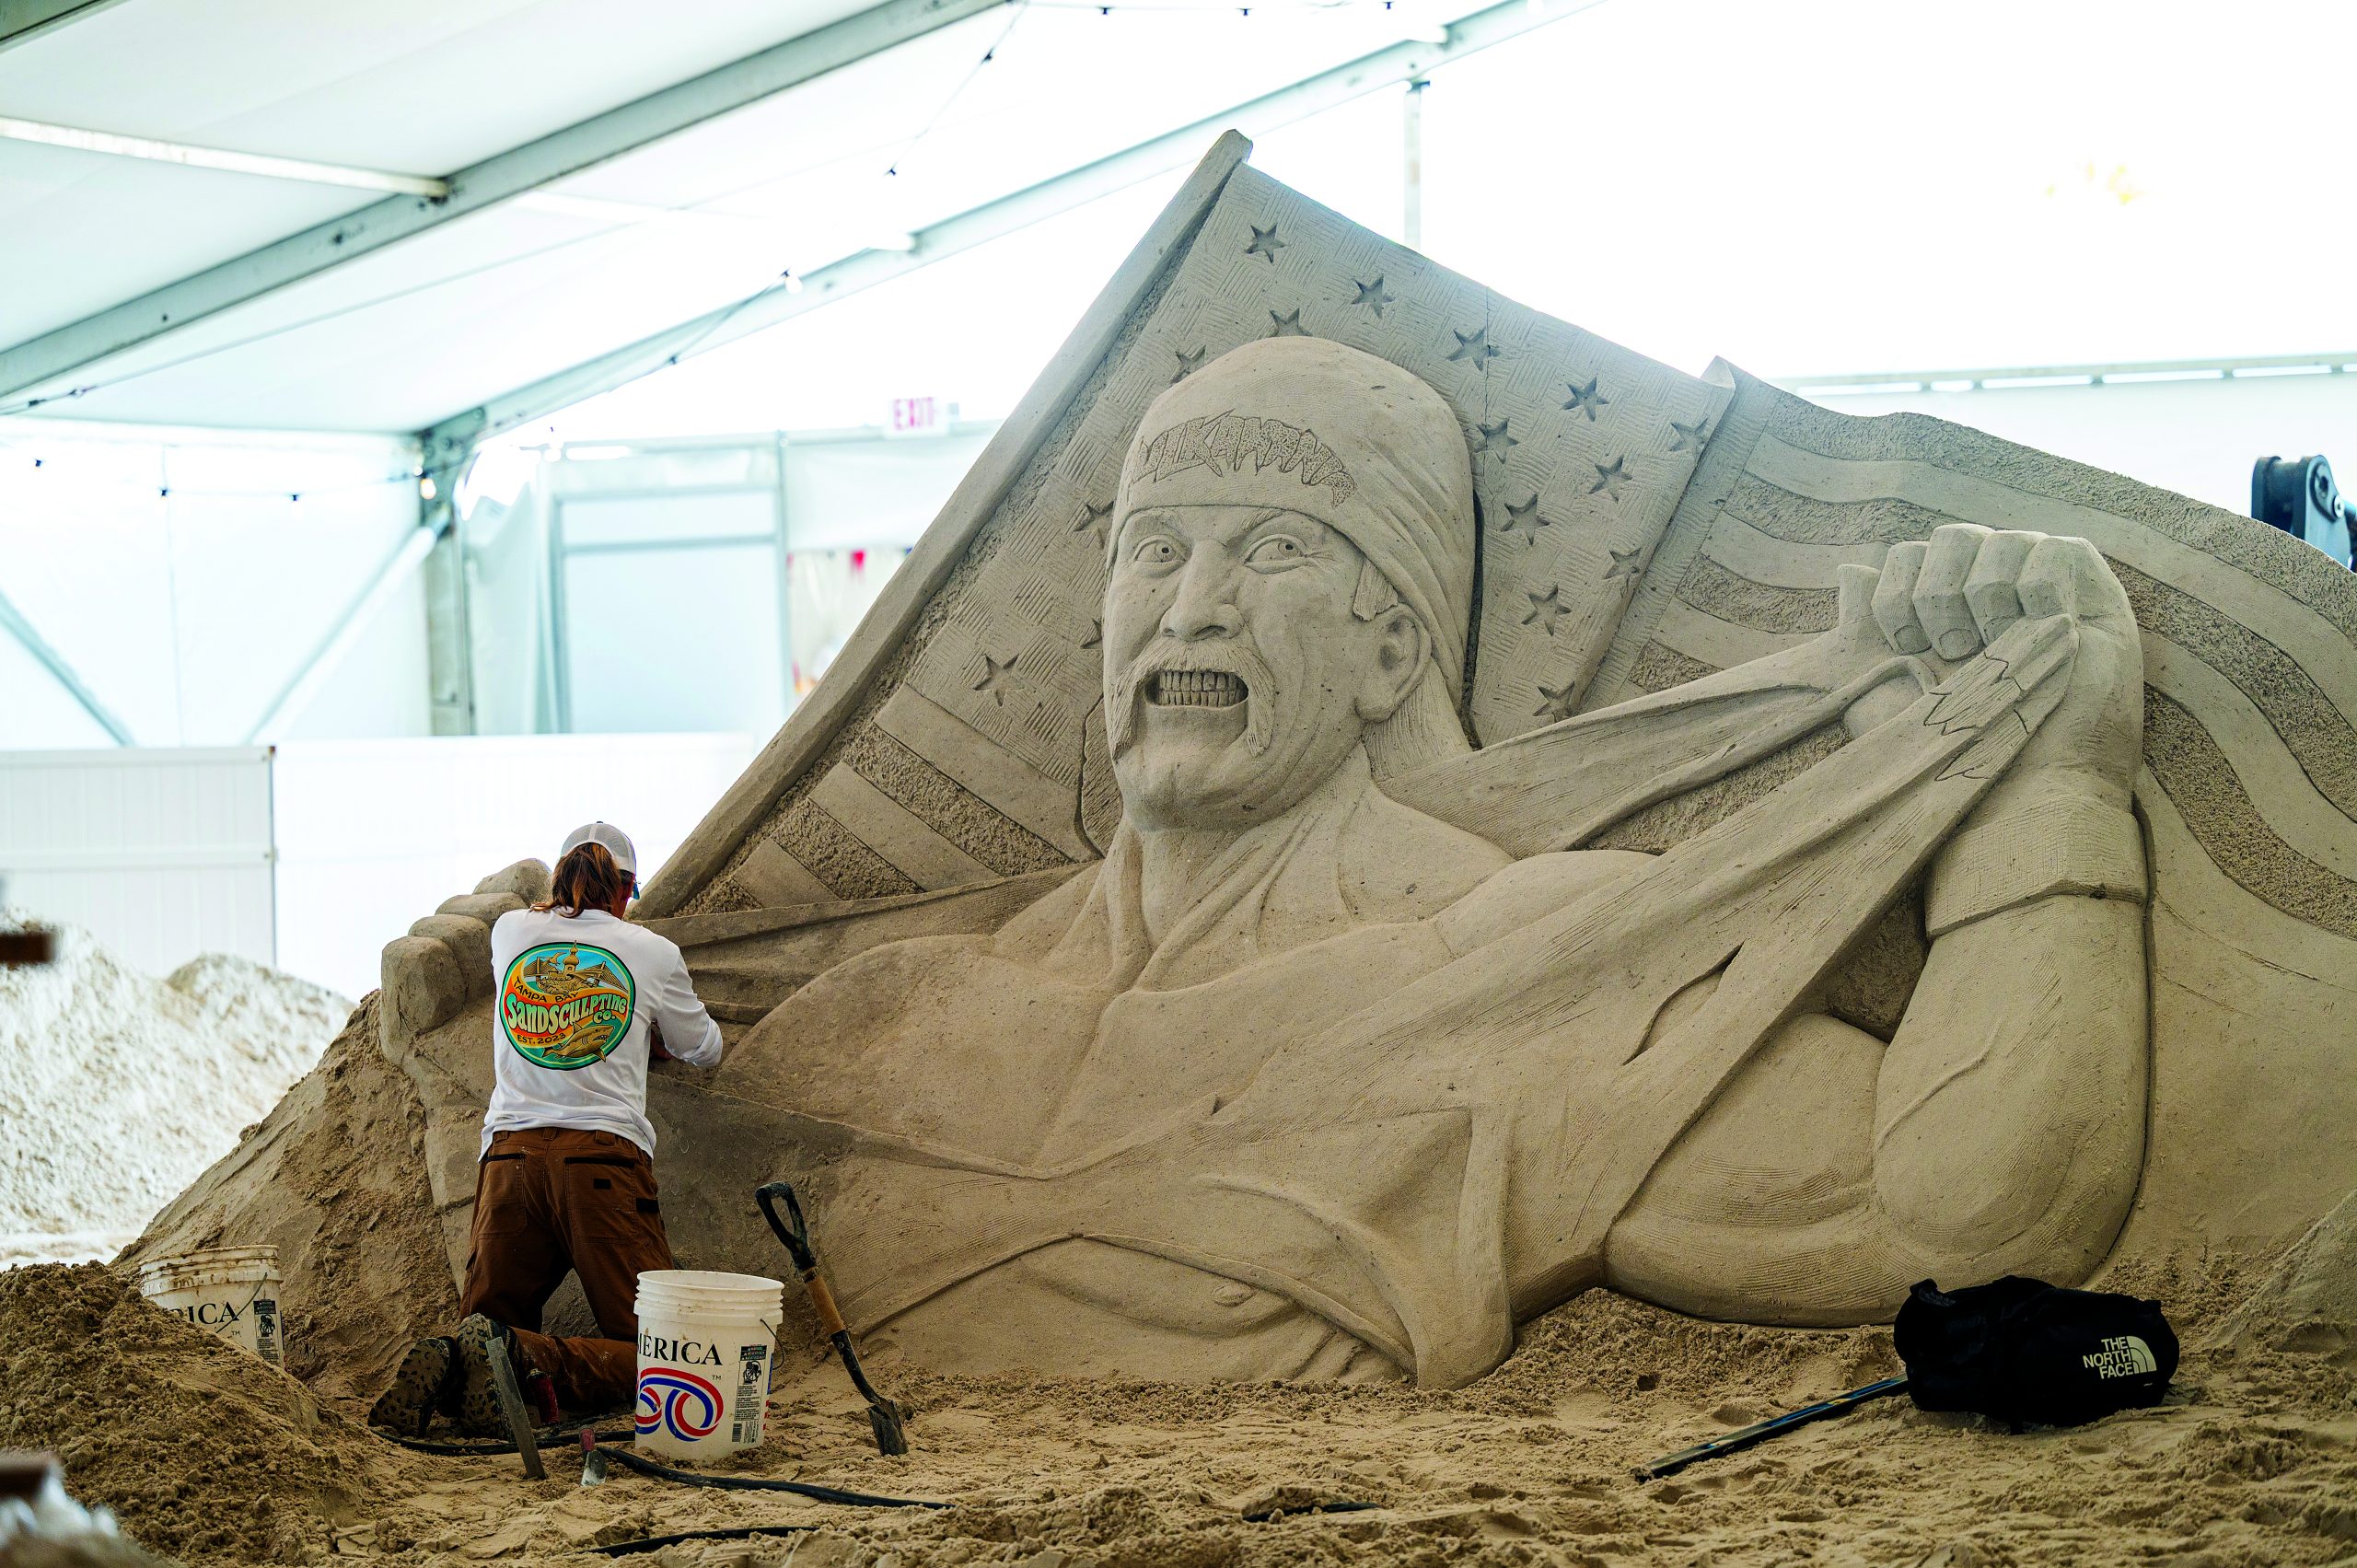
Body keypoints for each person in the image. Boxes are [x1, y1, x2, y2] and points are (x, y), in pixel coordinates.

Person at [694, 335, 2148, 1386]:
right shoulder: (883, 1015)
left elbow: (1966, 1218)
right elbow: (621, 1231)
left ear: (1394, 643)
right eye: (1152, 553)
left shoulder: (1519, 961)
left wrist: (2055, 780)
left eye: (1271, 550)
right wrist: (505, 974)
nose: (1191, 609)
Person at [369, 822, 724, 1435]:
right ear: (626, 889)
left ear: (560, 877)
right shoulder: (651, 952)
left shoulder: (511, 933)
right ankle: (522, 1358)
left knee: (481, 1324)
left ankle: (461, 1359)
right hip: (602, 1165)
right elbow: (707, 1048)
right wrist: (649, 1033)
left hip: (508, 1161)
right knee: (670, 1363)